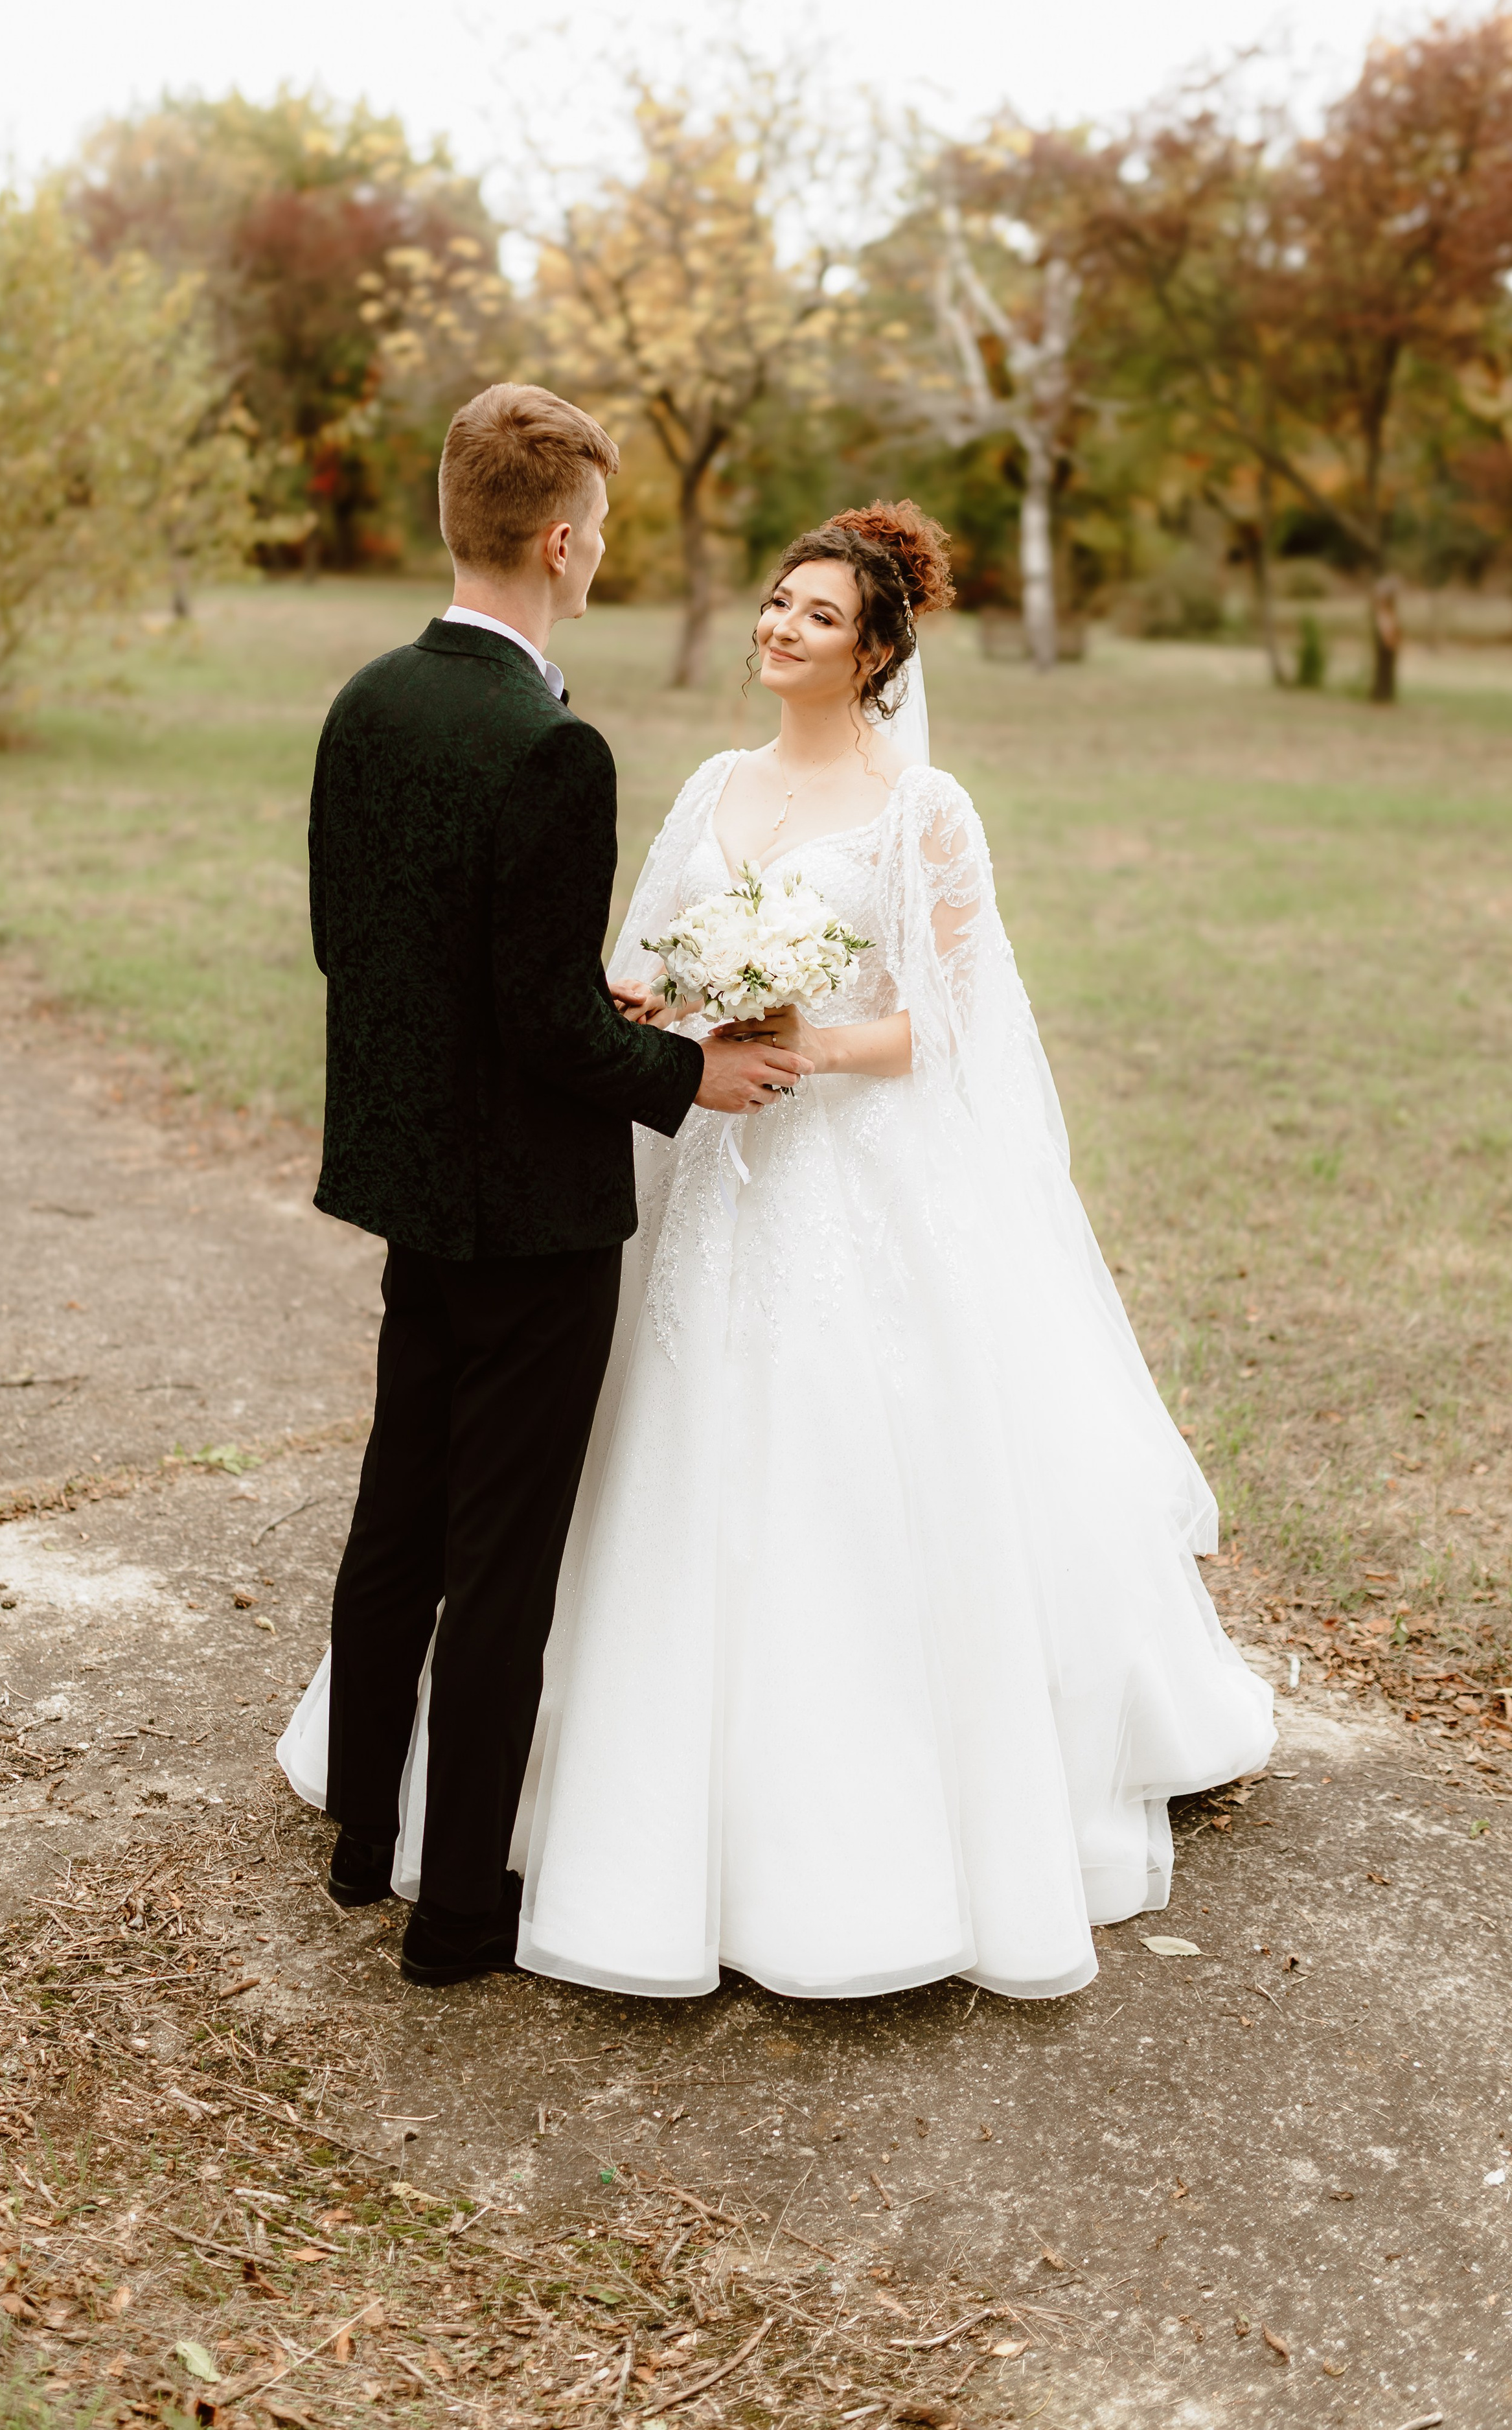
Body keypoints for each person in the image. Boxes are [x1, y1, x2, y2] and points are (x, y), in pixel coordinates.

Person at [284, 490, 1274, 2001]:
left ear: (876, 651)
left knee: (839, 1476)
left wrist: (802, 1040)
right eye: (772, 603)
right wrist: (658, 1019)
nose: (778, 628)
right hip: (695, 1167)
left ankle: (849, 1830)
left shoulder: (924, 813)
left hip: (838, 1178)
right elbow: (628, 965)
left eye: (815, 615)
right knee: (606, 1464)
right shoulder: (705, 783)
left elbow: (936, 1032)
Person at [281, 384, 809, 1987]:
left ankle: (362, 1845)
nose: (600, 561)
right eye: (602, 535)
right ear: (561, 539)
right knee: (502, 1565)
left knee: (396, 1521)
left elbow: (365, 950)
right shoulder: (551, 744)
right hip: (534, 1219)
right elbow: (532, 1022)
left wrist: (590, 1003)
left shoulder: (368, 700)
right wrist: (683, 1071)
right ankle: (456, 1922)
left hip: (413, 1191)